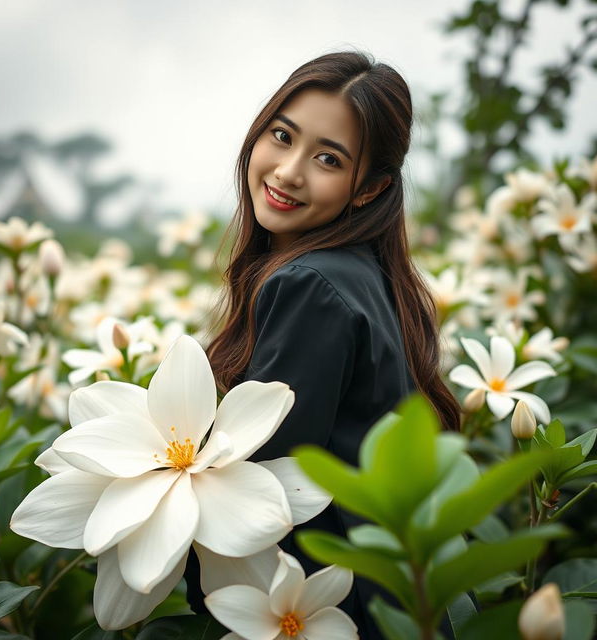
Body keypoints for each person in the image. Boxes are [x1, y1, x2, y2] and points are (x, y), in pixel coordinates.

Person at [187, 50, 461, 639]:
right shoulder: (364, 276)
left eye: (327, 158)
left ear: (371, 189)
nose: (288, 171)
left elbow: (262, 486)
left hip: (321, 611)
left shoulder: (309, 283)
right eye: (282, 135)